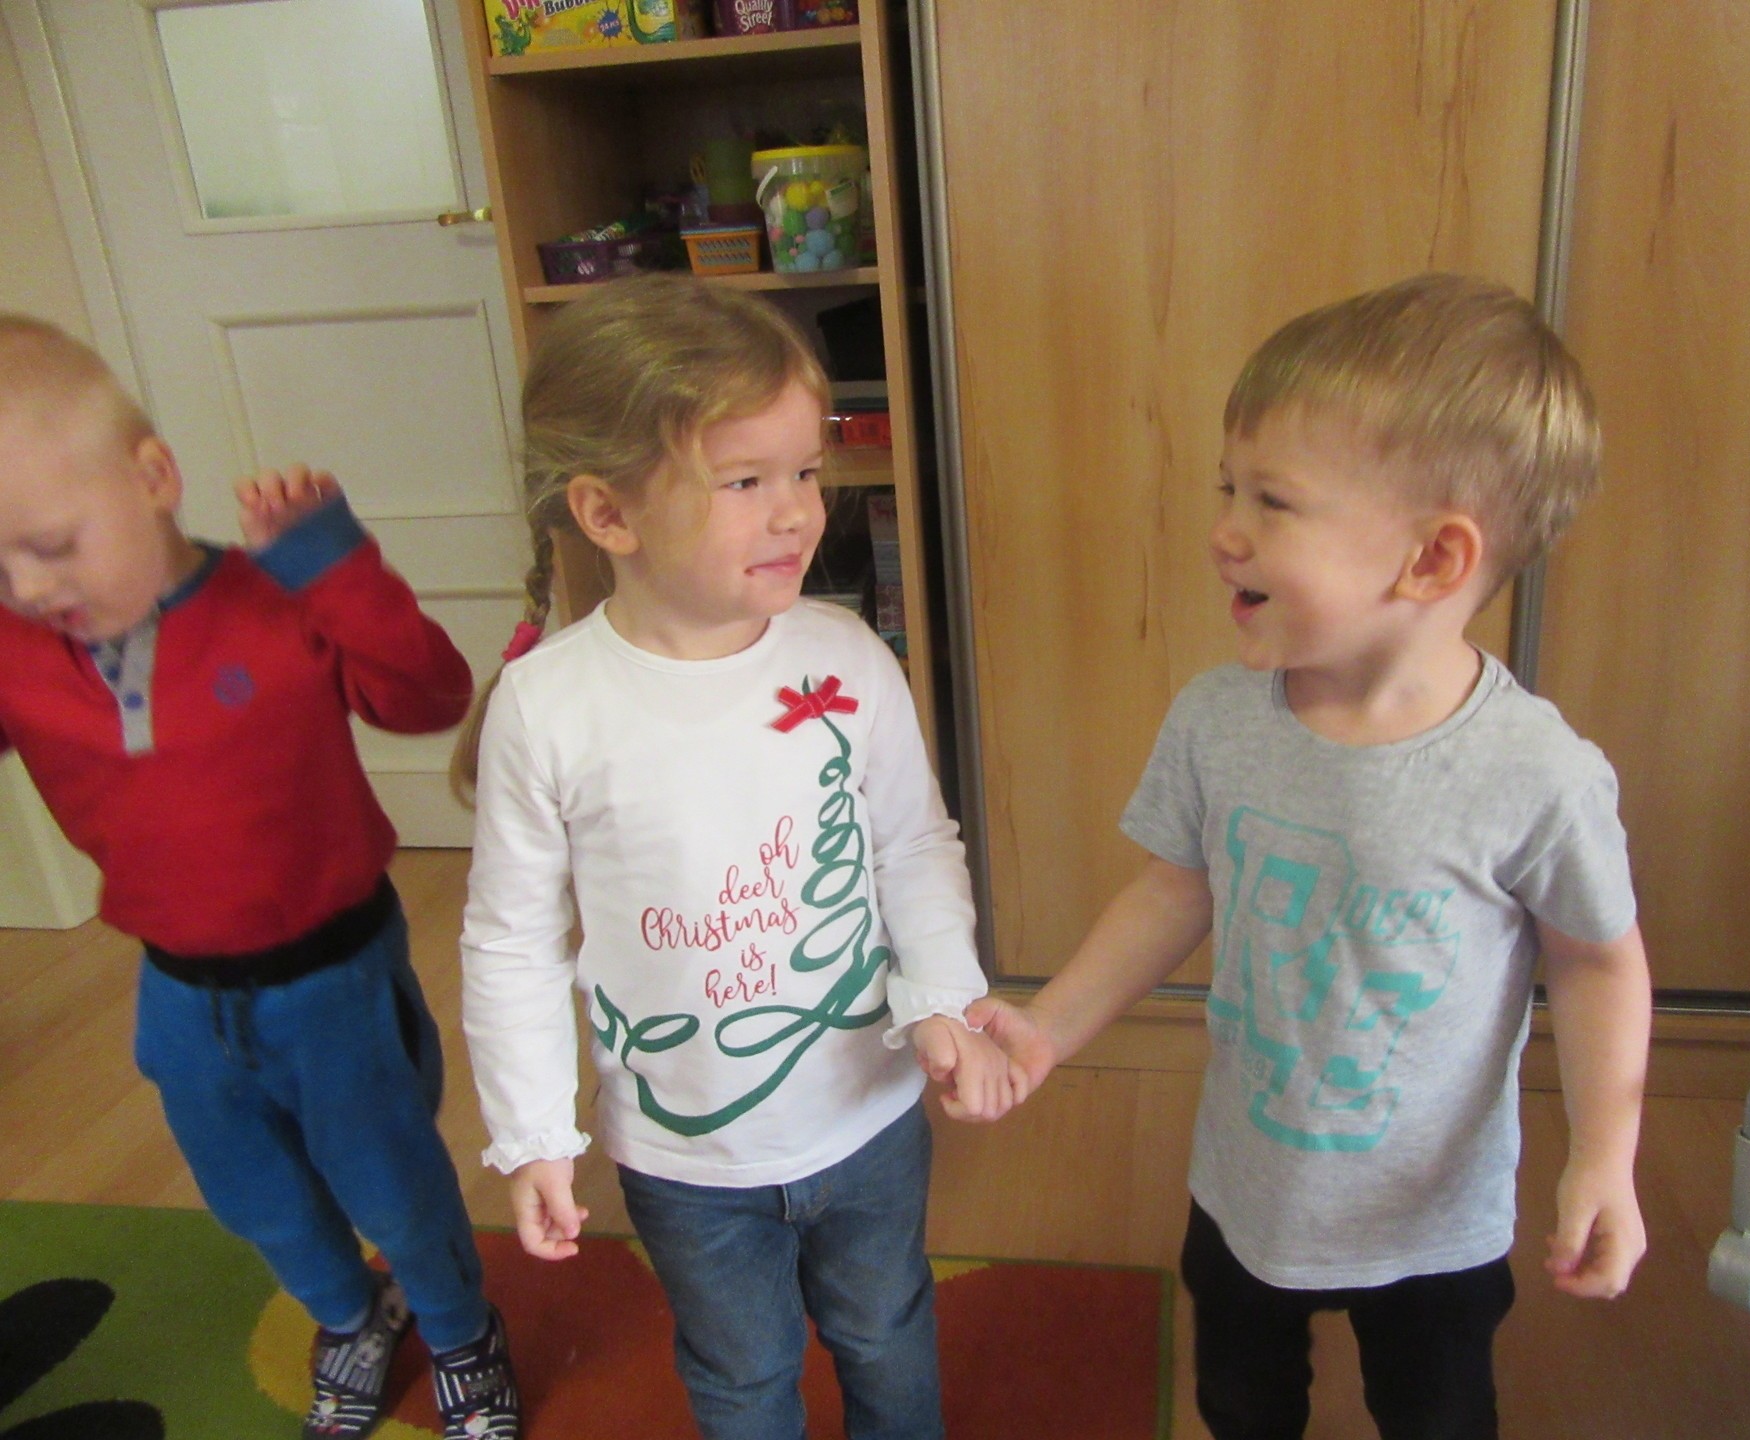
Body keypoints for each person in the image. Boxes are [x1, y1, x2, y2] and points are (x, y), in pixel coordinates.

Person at [969, 274, 1653, 1440]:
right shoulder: (1219, 719)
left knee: (1437, 1416)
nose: (1223, 531)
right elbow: (1172, 889)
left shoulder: (1535, 773)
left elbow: (1597, 962)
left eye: (1273, 502)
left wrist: (1605, 1155)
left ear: (1432, 561)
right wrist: (1048, 1025)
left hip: (1430, 1218)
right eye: (1228, 487)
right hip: (1249, 1182)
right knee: (1240, 1399)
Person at [455, 275, 1014, 1440]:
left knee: (885, 1328)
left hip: (867, 1117)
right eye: (745, 481)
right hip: (686, 1158)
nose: (797, 512)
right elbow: (511, 942)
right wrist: (533, 1132)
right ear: (608, 514)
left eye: (806, 471)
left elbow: (913, 842)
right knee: (743, 1372)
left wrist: (942, 995)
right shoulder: (548, 707)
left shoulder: (846, 657)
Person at [0, 317, 519, 1440]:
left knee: (391, 1183)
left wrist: (334, 565)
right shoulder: (17, 645)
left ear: (152, 478)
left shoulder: (282, 599)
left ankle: (458, 1327)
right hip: (178, 988)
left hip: (332, 974)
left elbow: (429, 697)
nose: (27, 587)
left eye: (50, 545)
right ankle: (351, 1314)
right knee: (251, 1193)